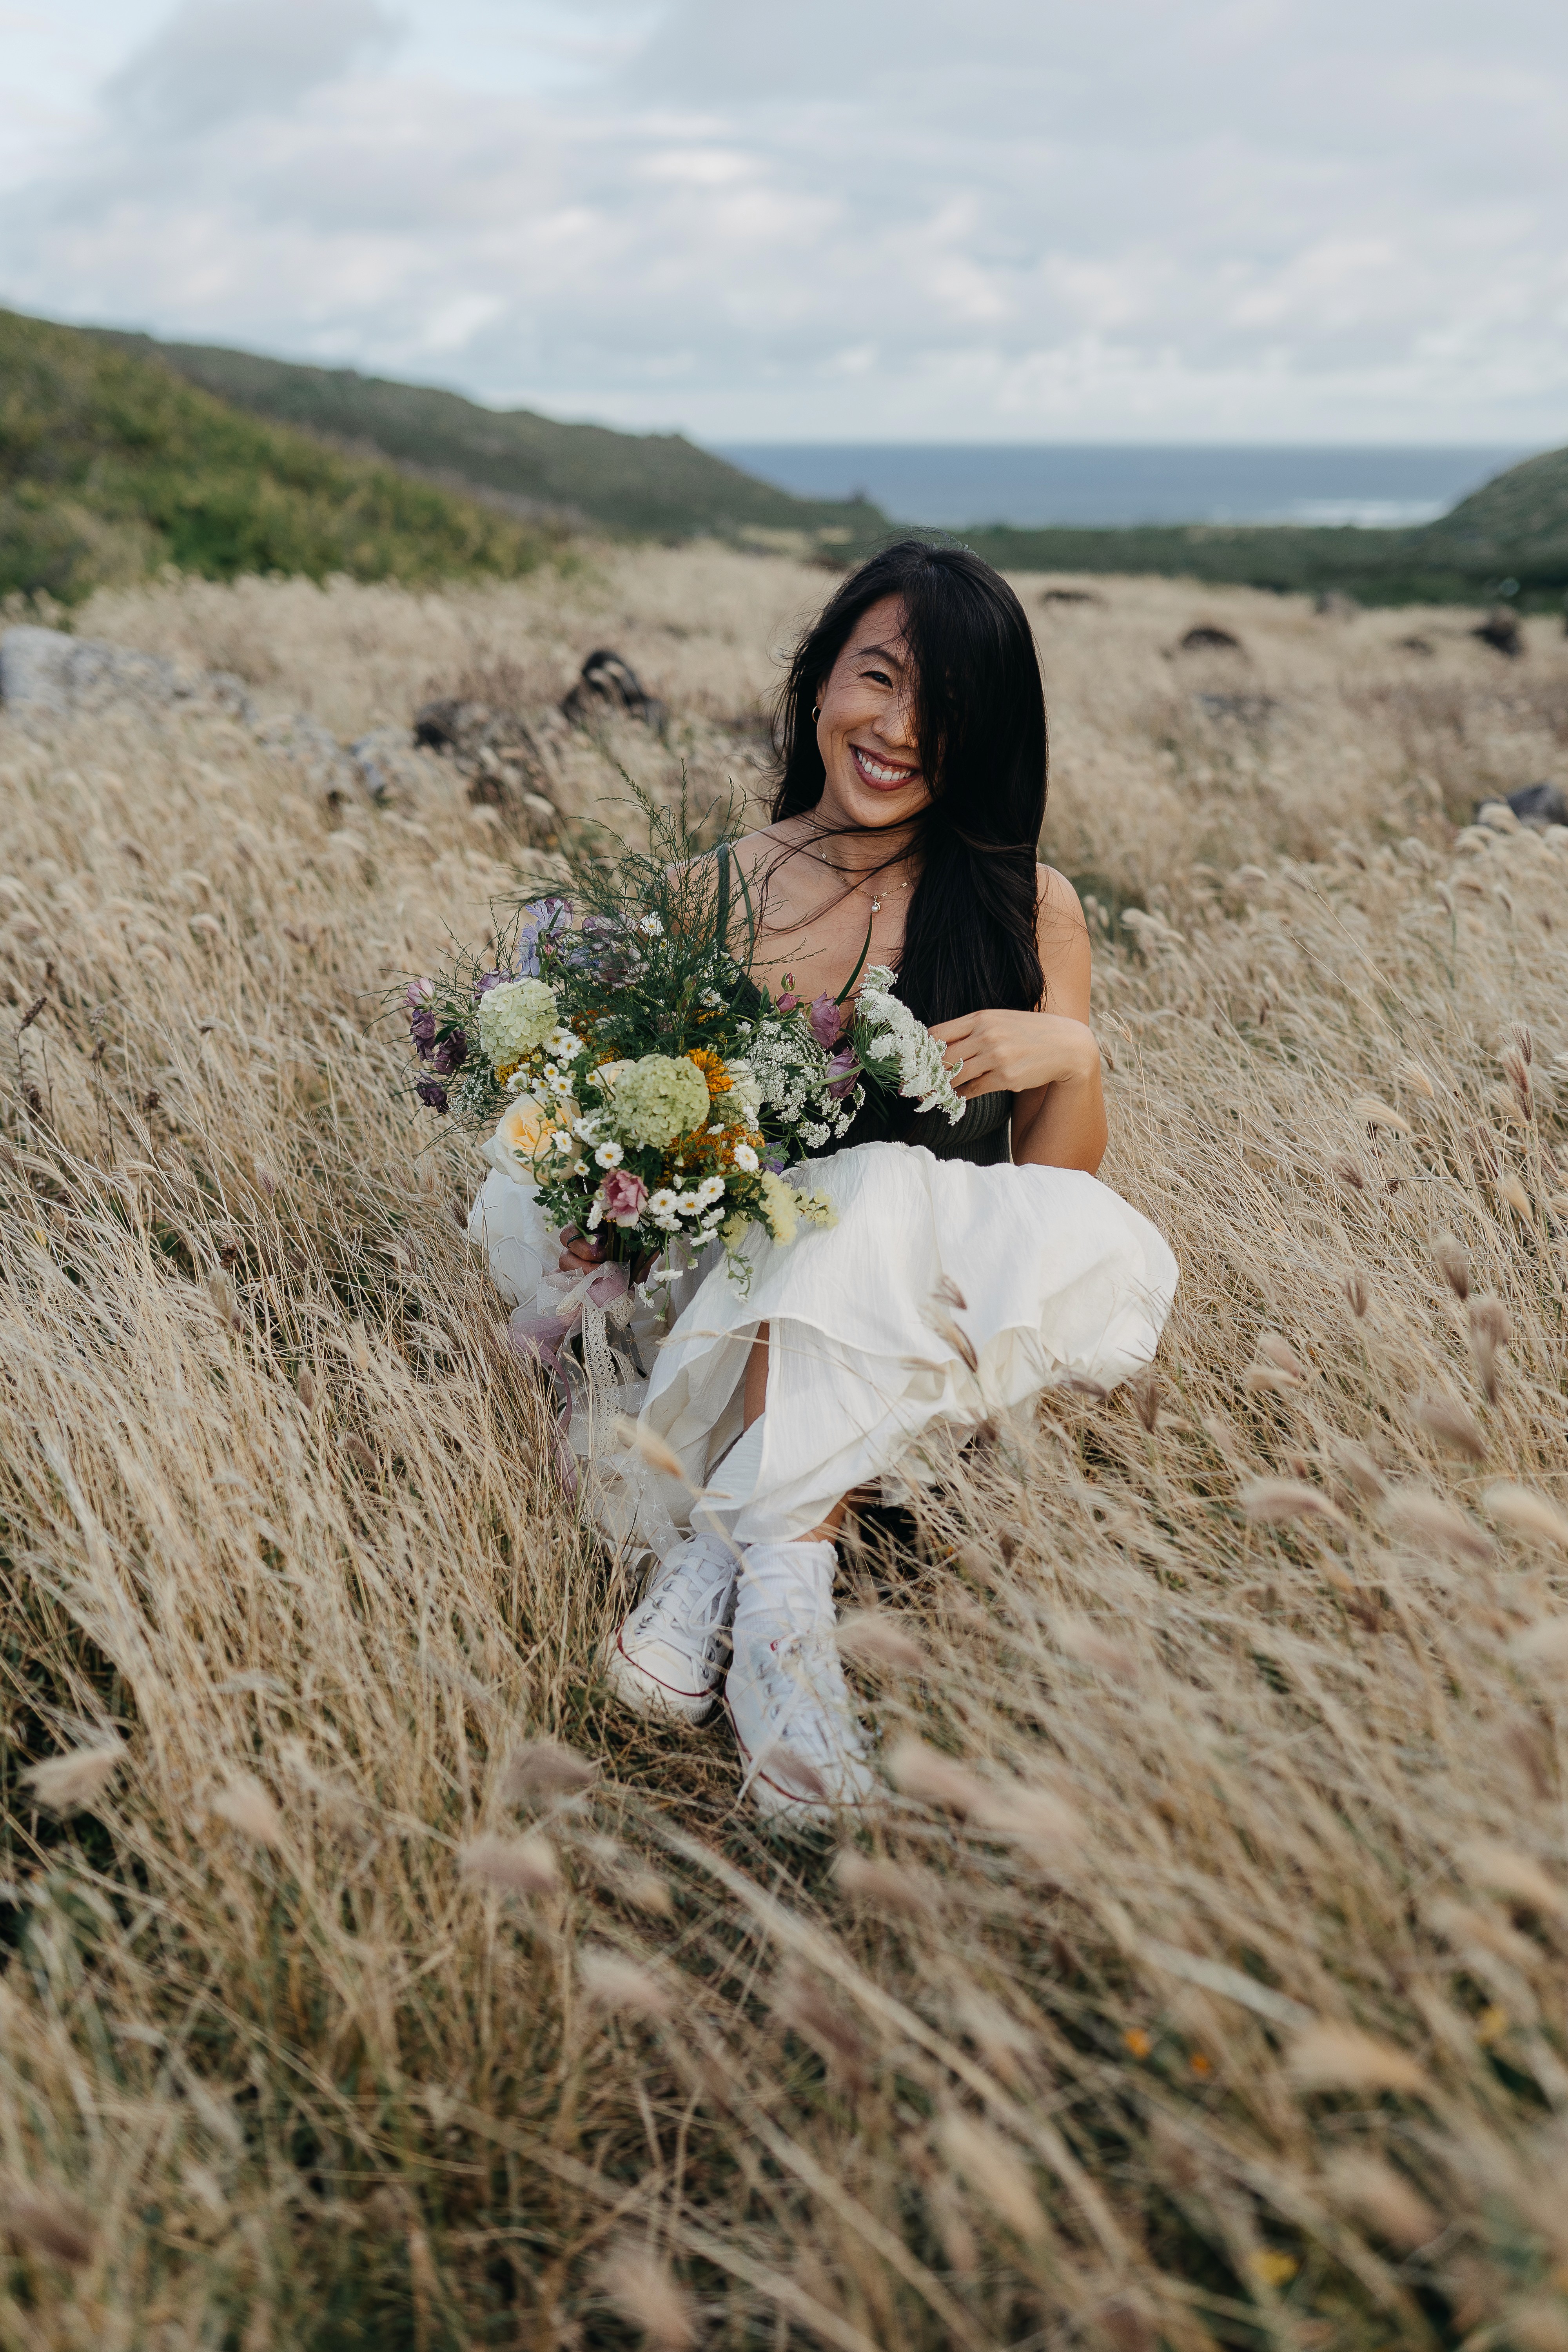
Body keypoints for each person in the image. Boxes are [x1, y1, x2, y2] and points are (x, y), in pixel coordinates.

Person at [601, 540, 1178, 1831]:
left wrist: (1071, 1053)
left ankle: (740, 1576)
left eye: (947, 713)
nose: (899, 732)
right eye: (879, 679)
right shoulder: (707, 892)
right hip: (721, 1287)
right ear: (821, 680)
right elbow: (649, 1152)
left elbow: (1054, 1197)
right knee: (819, 1198)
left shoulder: (1031, 906)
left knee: (870, 1196)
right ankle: (776, 1577)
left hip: (917, 1306)